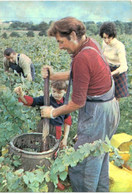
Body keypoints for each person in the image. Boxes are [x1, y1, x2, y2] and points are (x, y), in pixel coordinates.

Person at [40, 17, 120, 192]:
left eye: (61, 41)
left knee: (84, 163)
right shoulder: (90, 45)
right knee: (99, 157)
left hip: (97, 115)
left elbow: (77, 102)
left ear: (74, 35)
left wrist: (52, 112)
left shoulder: (82, 57)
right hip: (109, 110)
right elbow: (78, 74)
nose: (60, 46)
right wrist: (54, 76)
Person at [99, 22, 129, 100]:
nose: (106, 40)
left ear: (113, 36)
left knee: (115, 98)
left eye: (108, 38)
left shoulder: (119, 46)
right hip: (108, 68)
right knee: (106, 95)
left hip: (118, 71)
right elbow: (102, 56)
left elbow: (124, 66)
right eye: (104, 38)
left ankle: (115, 111)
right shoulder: (104, 44)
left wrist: (112, 73)